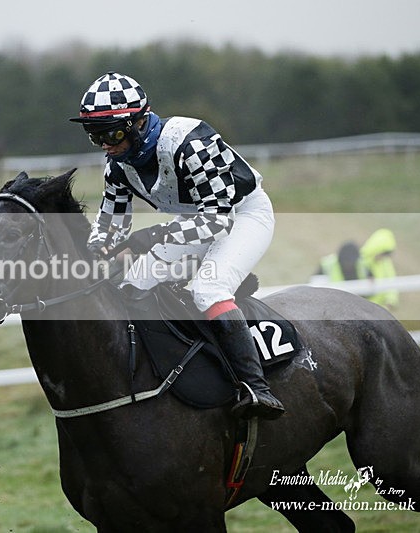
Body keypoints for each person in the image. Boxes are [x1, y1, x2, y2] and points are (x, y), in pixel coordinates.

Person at [70, 72, 284, 420]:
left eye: (111, 133)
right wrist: (90, 256)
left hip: (241, 214)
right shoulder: (117, 167)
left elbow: (217, 220)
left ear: (138, 123)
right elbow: (109, 228)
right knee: (129, 286)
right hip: (191, 223)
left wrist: (148, 238)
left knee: (208, 290)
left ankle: (257, 388)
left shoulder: (191, 141)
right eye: (95, 136)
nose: (105, 145)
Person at [316, 229, 398, 309]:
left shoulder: (363, 265)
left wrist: (389, 300)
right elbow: (315, 288)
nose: (349, 266)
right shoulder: (327, 264)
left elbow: (390, 282)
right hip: (332, 308)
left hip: (365, 309)